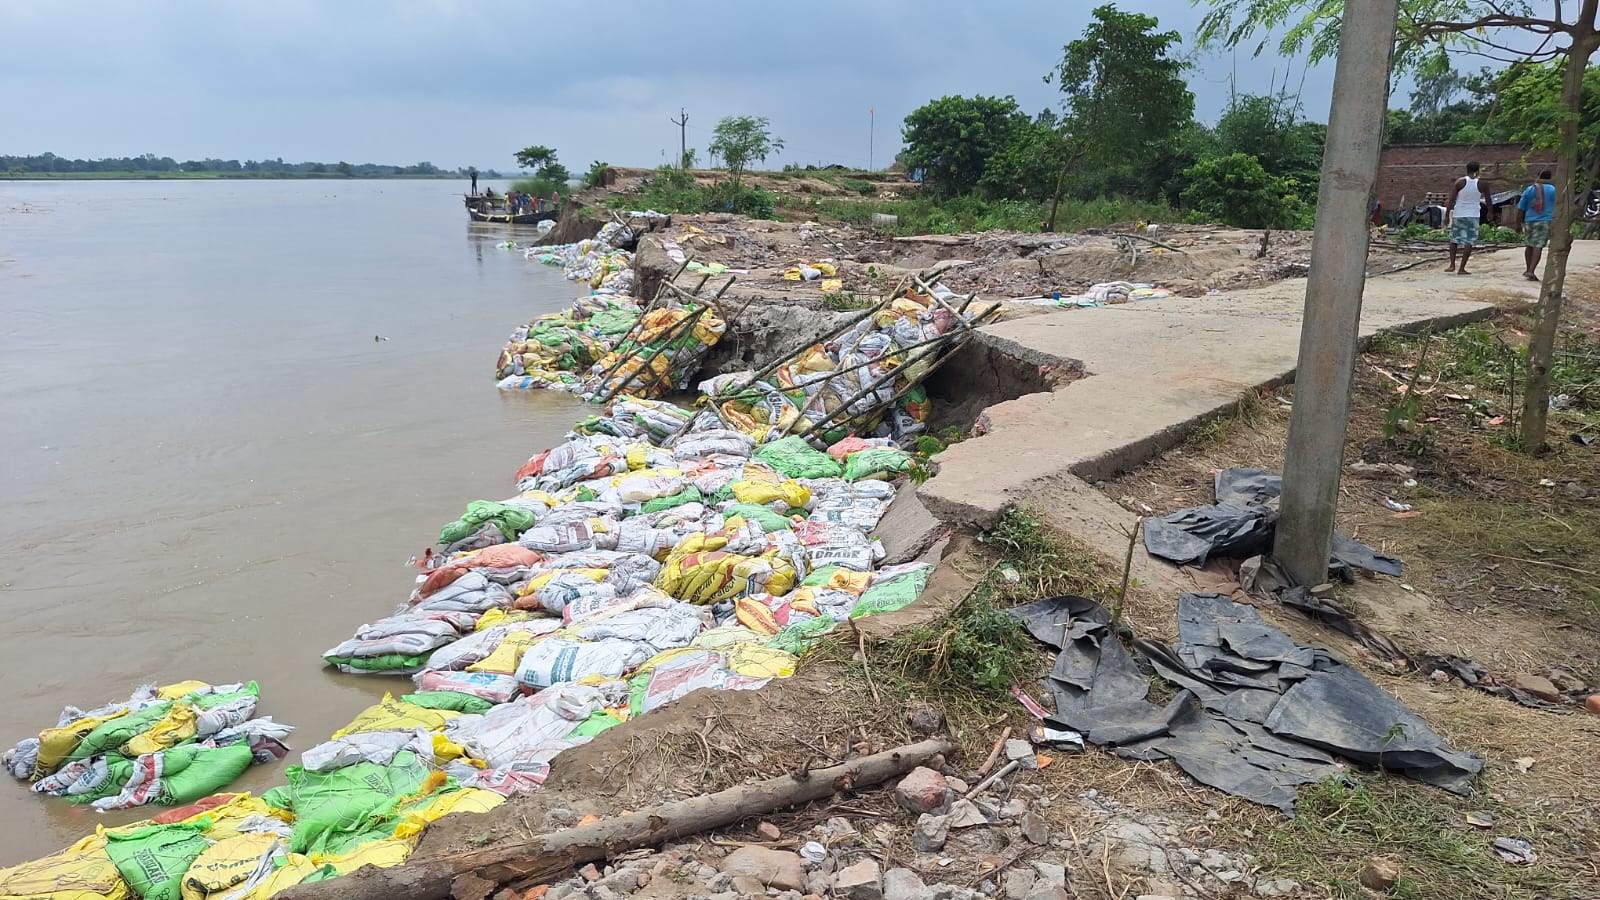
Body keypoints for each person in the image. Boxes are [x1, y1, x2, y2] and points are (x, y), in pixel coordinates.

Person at [1445, 161, 1491, 275]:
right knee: (1468, 242)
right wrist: (1490, 212)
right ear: (1478, 170)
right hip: (1473, 215)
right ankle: (1462, 268)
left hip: (1459, 214)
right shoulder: (1482, 183)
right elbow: (1489, 200)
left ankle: (1452, 265)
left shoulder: (1460, 182)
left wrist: (1446, 215)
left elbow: (1451, 200)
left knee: (1454, 240)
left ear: (1466, 169)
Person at [1515, 169, 1556, 282]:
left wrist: (1518, 224)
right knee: (1538, 246)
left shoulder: (1530, 189)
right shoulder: (1554, 190)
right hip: (1545, 221)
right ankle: (1531, 271)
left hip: (1529, 221)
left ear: (1538, 176)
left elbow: (1520, 208)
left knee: (1529, 245)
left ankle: (1528, 268)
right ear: (1550, 178)